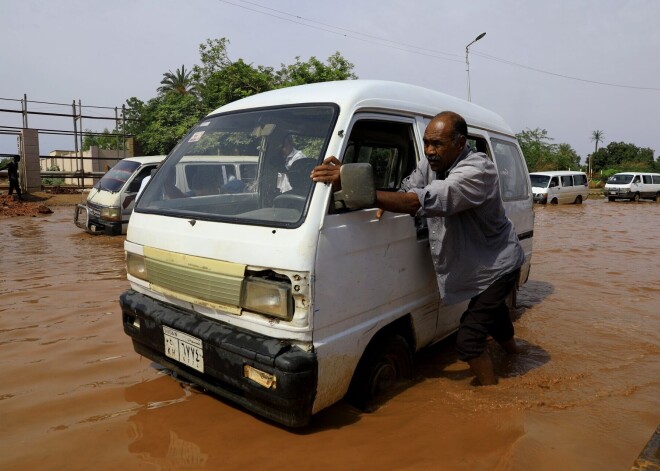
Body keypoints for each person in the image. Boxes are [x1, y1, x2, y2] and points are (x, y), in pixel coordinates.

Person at [311, 111, 525, 386]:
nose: (429, 151)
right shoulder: (432, 163)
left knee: (469, 340)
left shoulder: (477, 171)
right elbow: (407, 189)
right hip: (476, 263)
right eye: (426, 143)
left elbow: (420, 201)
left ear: (460, 144)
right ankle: (516, 355)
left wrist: (357, 188)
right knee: (494, 317)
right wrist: (361, 183)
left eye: (437, 144)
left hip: (497, 265)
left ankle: (492, 394)